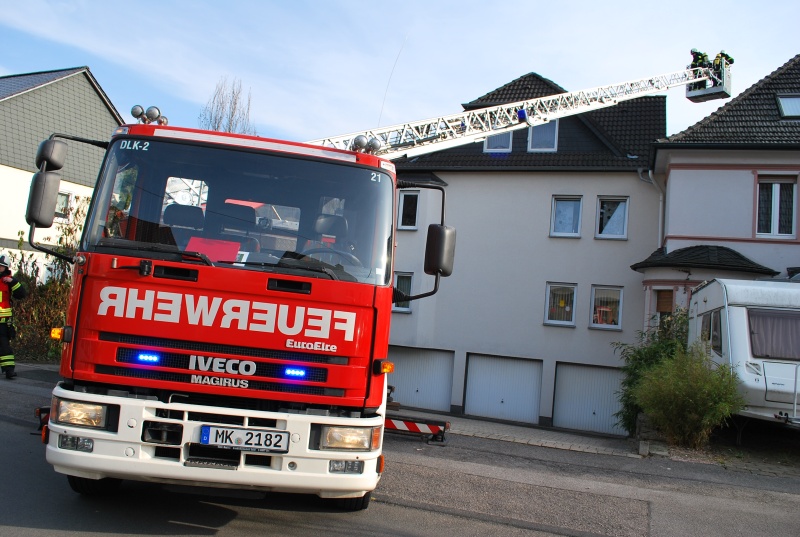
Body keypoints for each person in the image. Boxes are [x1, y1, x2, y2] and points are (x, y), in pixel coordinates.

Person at [0, 256, 27, 379]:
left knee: (4, 346)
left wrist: (13, 282)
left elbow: (21, 294)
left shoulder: (9, 281)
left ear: (6, 268)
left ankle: (9, 370)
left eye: (1, 266)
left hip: (3, 321)